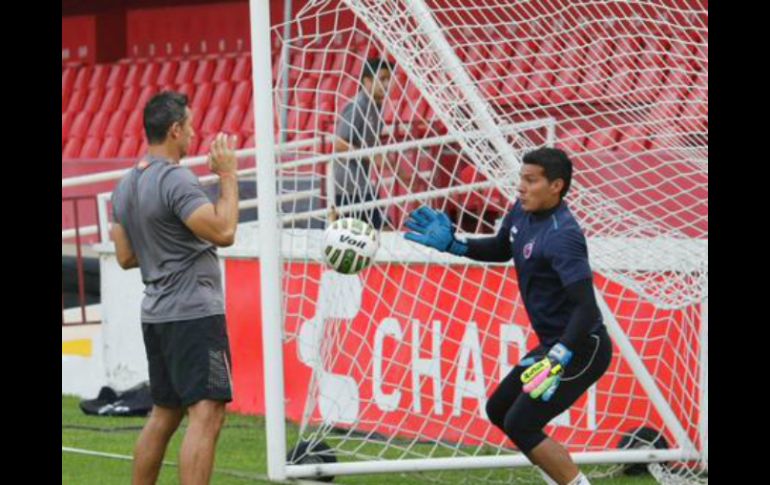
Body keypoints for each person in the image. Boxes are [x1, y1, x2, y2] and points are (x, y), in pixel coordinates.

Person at [403, 147, 612, 485]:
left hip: (582, 348)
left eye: (531, 181)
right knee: (499, 410)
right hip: (554, 345)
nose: (521, 187)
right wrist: (457, 245)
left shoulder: (563, 236)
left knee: (520, 423)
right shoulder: (522, 211)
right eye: (521, 179)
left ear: (556, 186)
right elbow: (503, 247)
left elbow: (586, 308)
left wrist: (559, 357)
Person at [110, 91, 240, 485]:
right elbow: (225, 231)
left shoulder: (124, 187)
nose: (195, 133)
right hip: (194, 314)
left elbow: (126, 257)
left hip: (157, 314)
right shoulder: (176, 179)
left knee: (165, 413)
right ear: (174, 129)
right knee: (207, 412)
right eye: (190, 125)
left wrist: (163, 245)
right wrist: (228, 175)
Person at [334, 57, 412, 229]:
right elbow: (338, 144)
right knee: (377, 230)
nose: (386, 84)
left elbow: (372, 148)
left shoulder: (377, 107)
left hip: (361, 183)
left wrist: (399, 172)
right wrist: (370, 157)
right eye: (382, 79)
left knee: (379, 228)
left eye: (388, 80)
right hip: (347, 183)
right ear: (367, 81)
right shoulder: (358, 106)